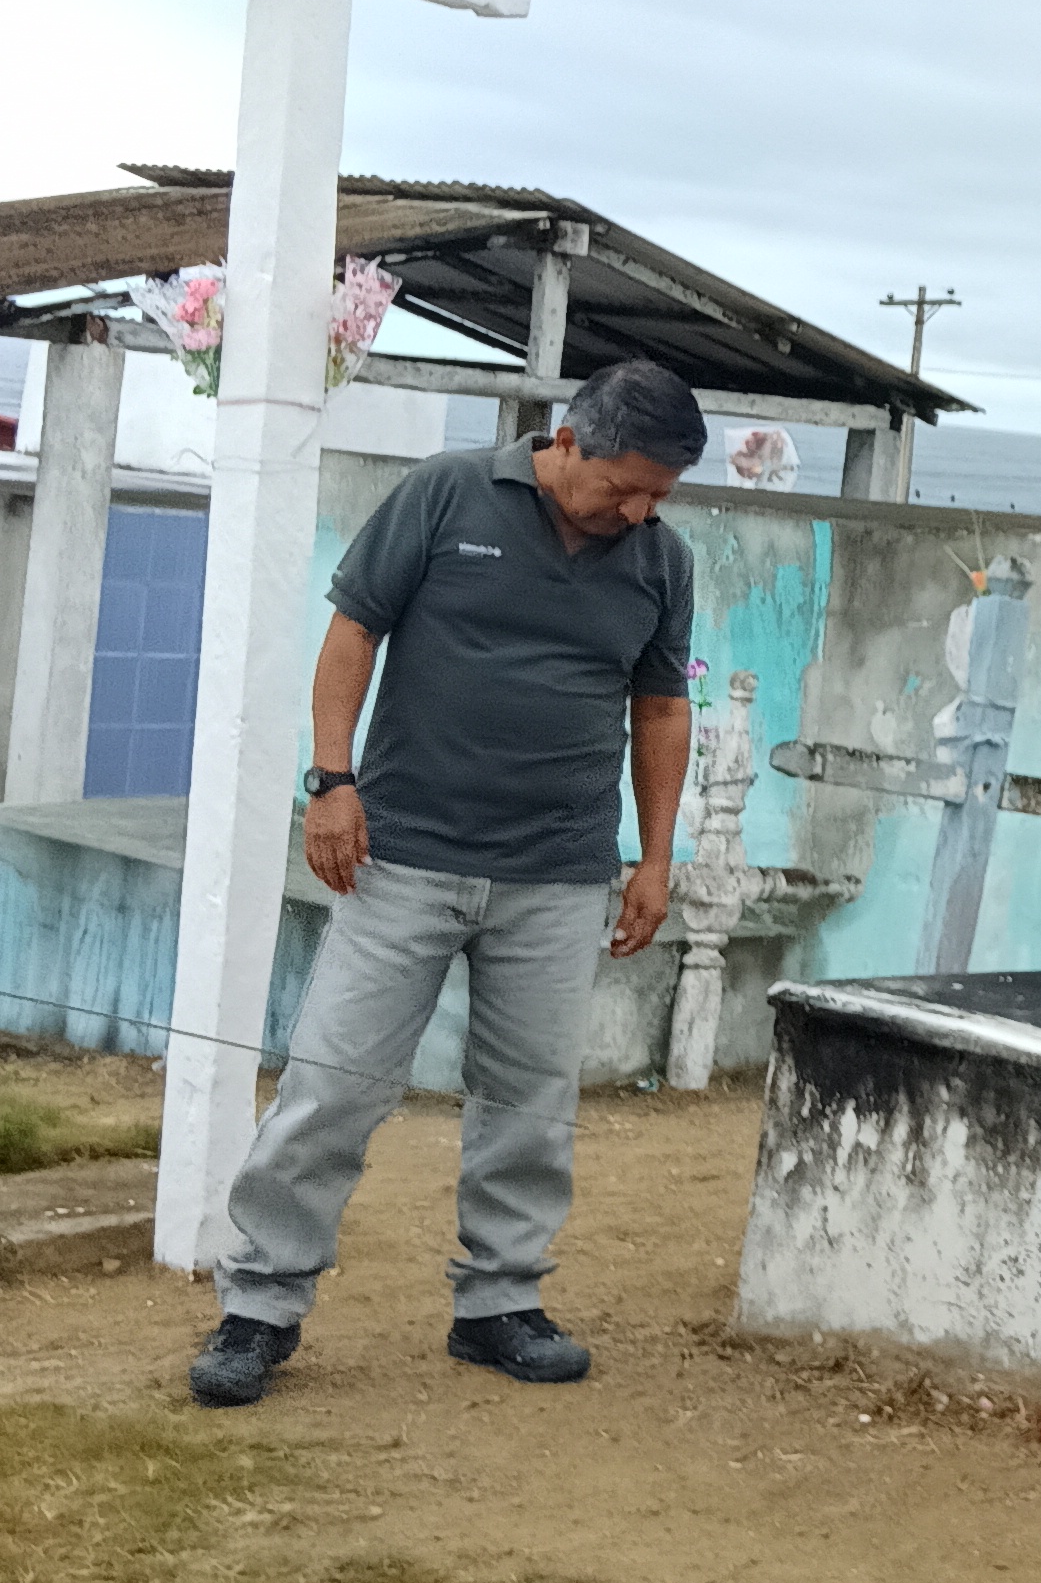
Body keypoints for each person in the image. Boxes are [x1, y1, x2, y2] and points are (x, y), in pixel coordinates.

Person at [185, 360, 704, 1409]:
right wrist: (331, 782)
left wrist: (654, 858)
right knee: (334, 1085)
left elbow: (659, 709)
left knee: (529, 1103)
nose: (640, 512)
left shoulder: (662, 560)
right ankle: (260, 1306)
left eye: (660, 494)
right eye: (625, 488)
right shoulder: (445, 494)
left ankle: (499, 1304)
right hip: (406, 856)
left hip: (558, 873)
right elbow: (352, 633)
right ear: (569, 442)